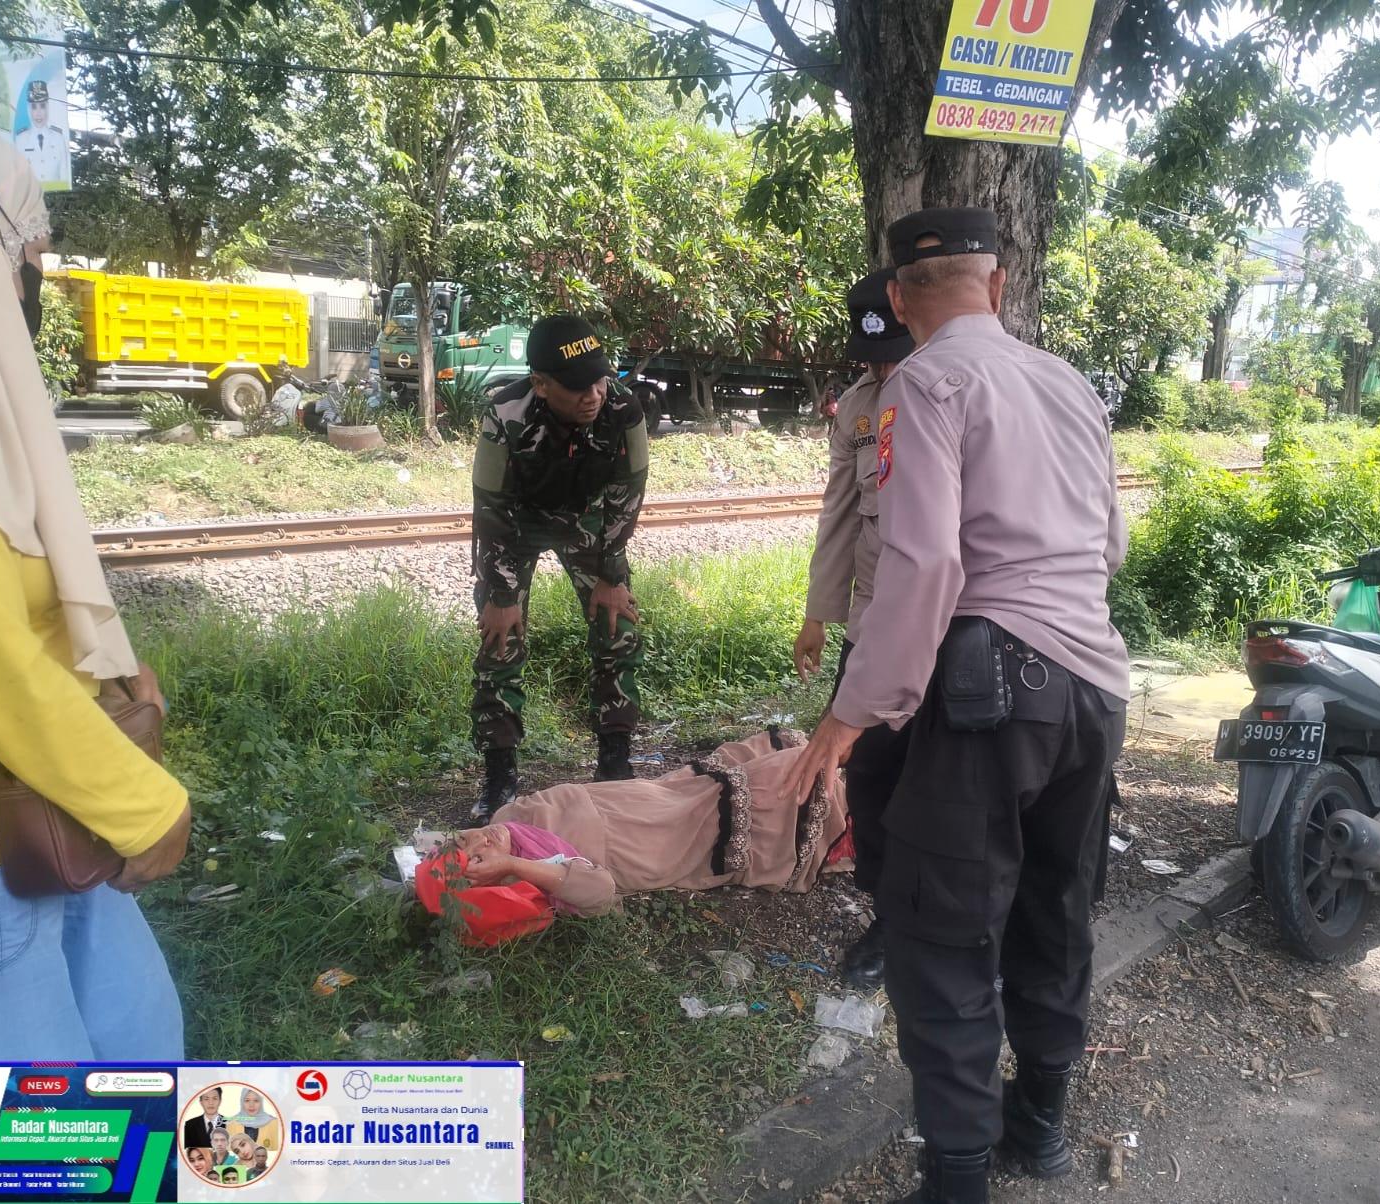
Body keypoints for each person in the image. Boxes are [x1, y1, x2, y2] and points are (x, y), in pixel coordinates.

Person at [790, 207, 1130, 1204]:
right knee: (1054, 906)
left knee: (943, 927)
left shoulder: (925, 381)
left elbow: (925, 561)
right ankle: (1043, 1128)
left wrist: (851, 711)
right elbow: (1108, 546)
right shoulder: (1068, 383)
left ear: (900, 297)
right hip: (1093, 687)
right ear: (997, 282)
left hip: (989, 695)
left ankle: (957, 1179)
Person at [0, 112, 191, 1063]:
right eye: (27, 261)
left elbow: (12, 587)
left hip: (38, 812)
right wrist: (143, 804)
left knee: (140, 1060)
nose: (29, 289)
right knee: (44, 1146)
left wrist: (112, 670)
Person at [470, 315, 649, 819]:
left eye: (598, 379)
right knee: (497, 642)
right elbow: (491, 509)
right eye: (576, 387)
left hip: (587, 522)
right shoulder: (504, 413)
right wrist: (502, 596)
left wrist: (612, 574)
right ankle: (499, 776)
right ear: (541, 384)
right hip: (515, 526)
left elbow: (627, 494)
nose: (593, 394)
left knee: (618, 627)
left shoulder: (622, 407)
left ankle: (615, 764)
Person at [794, 268, 915, 989]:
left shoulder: (949, 393)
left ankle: (936, 918)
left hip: (944, 631)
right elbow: (841, 510)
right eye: (873, 357)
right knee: (869, 775)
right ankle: (889, 915)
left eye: (892, 352)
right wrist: (819, 613)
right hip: (871, 629)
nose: (883, 368)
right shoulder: (859, 408)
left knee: (940, 780)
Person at [435, 729, 849, 920]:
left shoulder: (507, 821)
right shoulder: (534, 877)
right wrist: (513, 866)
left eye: (467, 840)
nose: (480, 839)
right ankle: (858, 817)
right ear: (490, 876)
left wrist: (460, 844)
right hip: (662, 838)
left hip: (657, 798)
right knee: (784, 779)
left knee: (756, 764)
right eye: (478, 856)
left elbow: (438, 849)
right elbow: (598, 893)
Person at [13, 79, 69, 185]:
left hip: (55, 197)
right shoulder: (20, 139)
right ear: (29, 109)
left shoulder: (58, 138)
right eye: (34, 107)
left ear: (47, 107)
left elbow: (64, 174)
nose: (38, 113)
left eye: (42, 106)